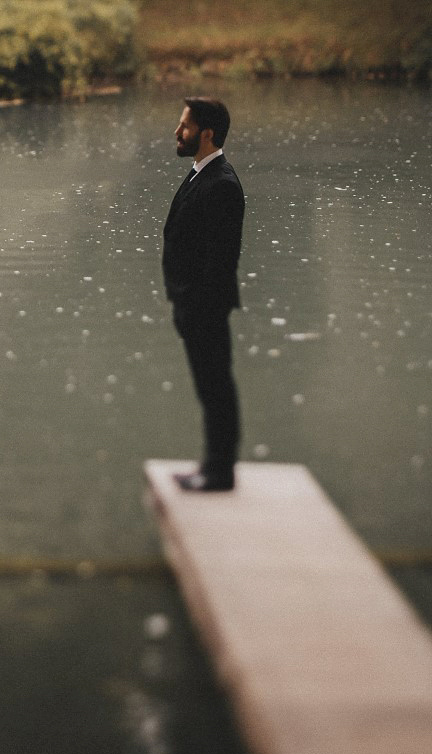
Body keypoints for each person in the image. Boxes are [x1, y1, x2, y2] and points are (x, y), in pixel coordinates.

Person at [162, 97, 245, 492]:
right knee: (209, 386)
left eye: (185, 127)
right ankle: (213, 466)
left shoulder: (223, 185)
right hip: (192, 306)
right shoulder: (201, 174)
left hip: (205, 308)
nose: (178, 133)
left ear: (207, 134)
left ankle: (219, 471)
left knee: (216, 388)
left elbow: (219, 261)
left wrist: (195, 307)